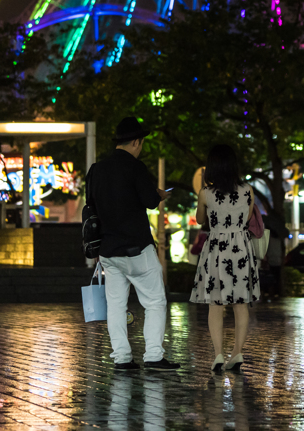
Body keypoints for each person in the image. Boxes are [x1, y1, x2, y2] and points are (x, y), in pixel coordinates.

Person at [93, 117, 178, 371]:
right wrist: (159, 195)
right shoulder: (135, 167)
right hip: (137, 248)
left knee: (116, 305)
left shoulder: (97, 169)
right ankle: (153, 355)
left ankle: (122, 358)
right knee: (154, 302)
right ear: (137, 142)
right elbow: (150, 201)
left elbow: (93, 205)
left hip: (108, 249)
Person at [190, 144, 261, 372]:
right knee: (241, 304)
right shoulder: (247, 190)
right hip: (240, 247)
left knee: (215, 304)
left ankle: (218, 354)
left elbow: (201, 220)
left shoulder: (206, 193)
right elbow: (247, 218)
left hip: (217, 249)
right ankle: (237, 352)